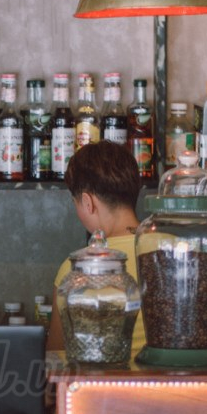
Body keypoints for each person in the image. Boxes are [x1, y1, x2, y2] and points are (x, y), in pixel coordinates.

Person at [48, 140, 147, 357]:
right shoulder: (175, 249)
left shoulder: (76, 269)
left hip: (102, 379)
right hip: (173, 379)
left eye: (75, 203)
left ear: (87, 202)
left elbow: (56, 357)